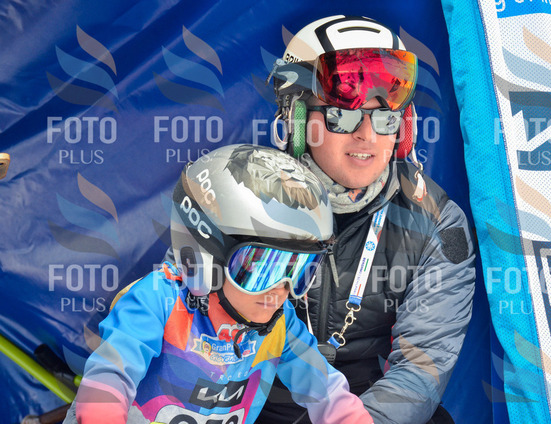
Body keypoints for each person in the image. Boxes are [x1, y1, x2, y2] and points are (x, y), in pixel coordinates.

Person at [257, 16, 476, 424]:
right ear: (296, 121)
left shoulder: (437, 222)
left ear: (404, 128)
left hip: (368, 408)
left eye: (385, 117)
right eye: (342, 115)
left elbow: (419, 372)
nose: (367, 135)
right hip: (253, 404)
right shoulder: (240, 196)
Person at [63, 144, 374, 424]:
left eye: (299, 270)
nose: (280, 290)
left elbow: (327, 391)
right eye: (261, 269)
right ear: (205, 258)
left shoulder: (281, 326)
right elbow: (109, 380)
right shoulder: (157, 302)